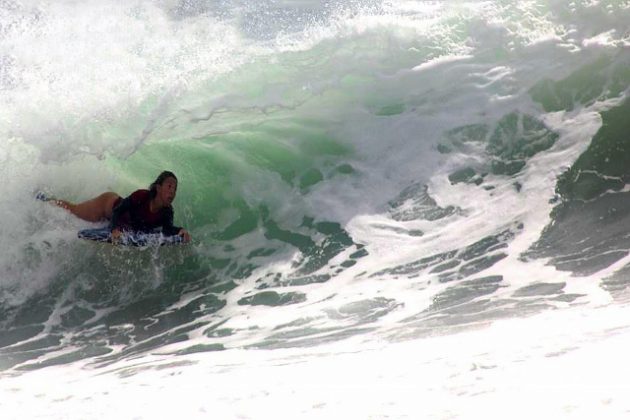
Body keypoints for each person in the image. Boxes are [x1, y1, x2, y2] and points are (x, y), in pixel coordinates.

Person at [39, 171, 191, 243]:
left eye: (175, 188)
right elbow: (118, 211)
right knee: (74, 210)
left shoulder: (166, 212)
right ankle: (46, 200)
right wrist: (114, 229)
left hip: (124, 219)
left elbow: (167, 229)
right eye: (169, 186)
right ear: (158, 187)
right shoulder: (142, 196)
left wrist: (180, 231)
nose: (172, 191)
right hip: (107, 204)